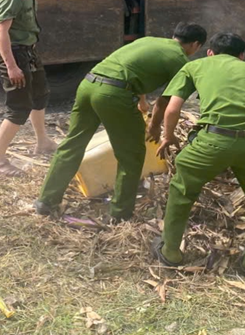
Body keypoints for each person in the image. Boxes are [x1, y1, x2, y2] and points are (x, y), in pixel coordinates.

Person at [35, 23, 208, 221]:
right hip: (113, 94)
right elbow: (164, 102)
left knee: (73, 144)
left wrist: (142, 101)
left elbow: (133, 68)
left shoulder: (149, 41)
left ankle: (46, 200)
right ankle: (120, 213)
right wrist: (154, 126)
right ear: (195, 45)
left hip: (89, 84)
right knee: (131, 155)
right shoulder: (179, 60)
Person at [153, 33, 245, 274]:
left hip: (213, 141)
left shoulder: (195, 66)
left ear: (210, 52)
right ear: (242, 55)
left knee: (182, 191)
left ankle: (170, 252)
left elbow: (172, 109)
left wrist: (168, 136)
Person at [0, 0, 58, 177]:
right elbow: (0, 31)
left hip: (28, 50)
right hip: (13, 53)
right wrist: (11, 66)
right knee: (19, 107)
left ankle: (42, 142)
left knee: (40, 95)